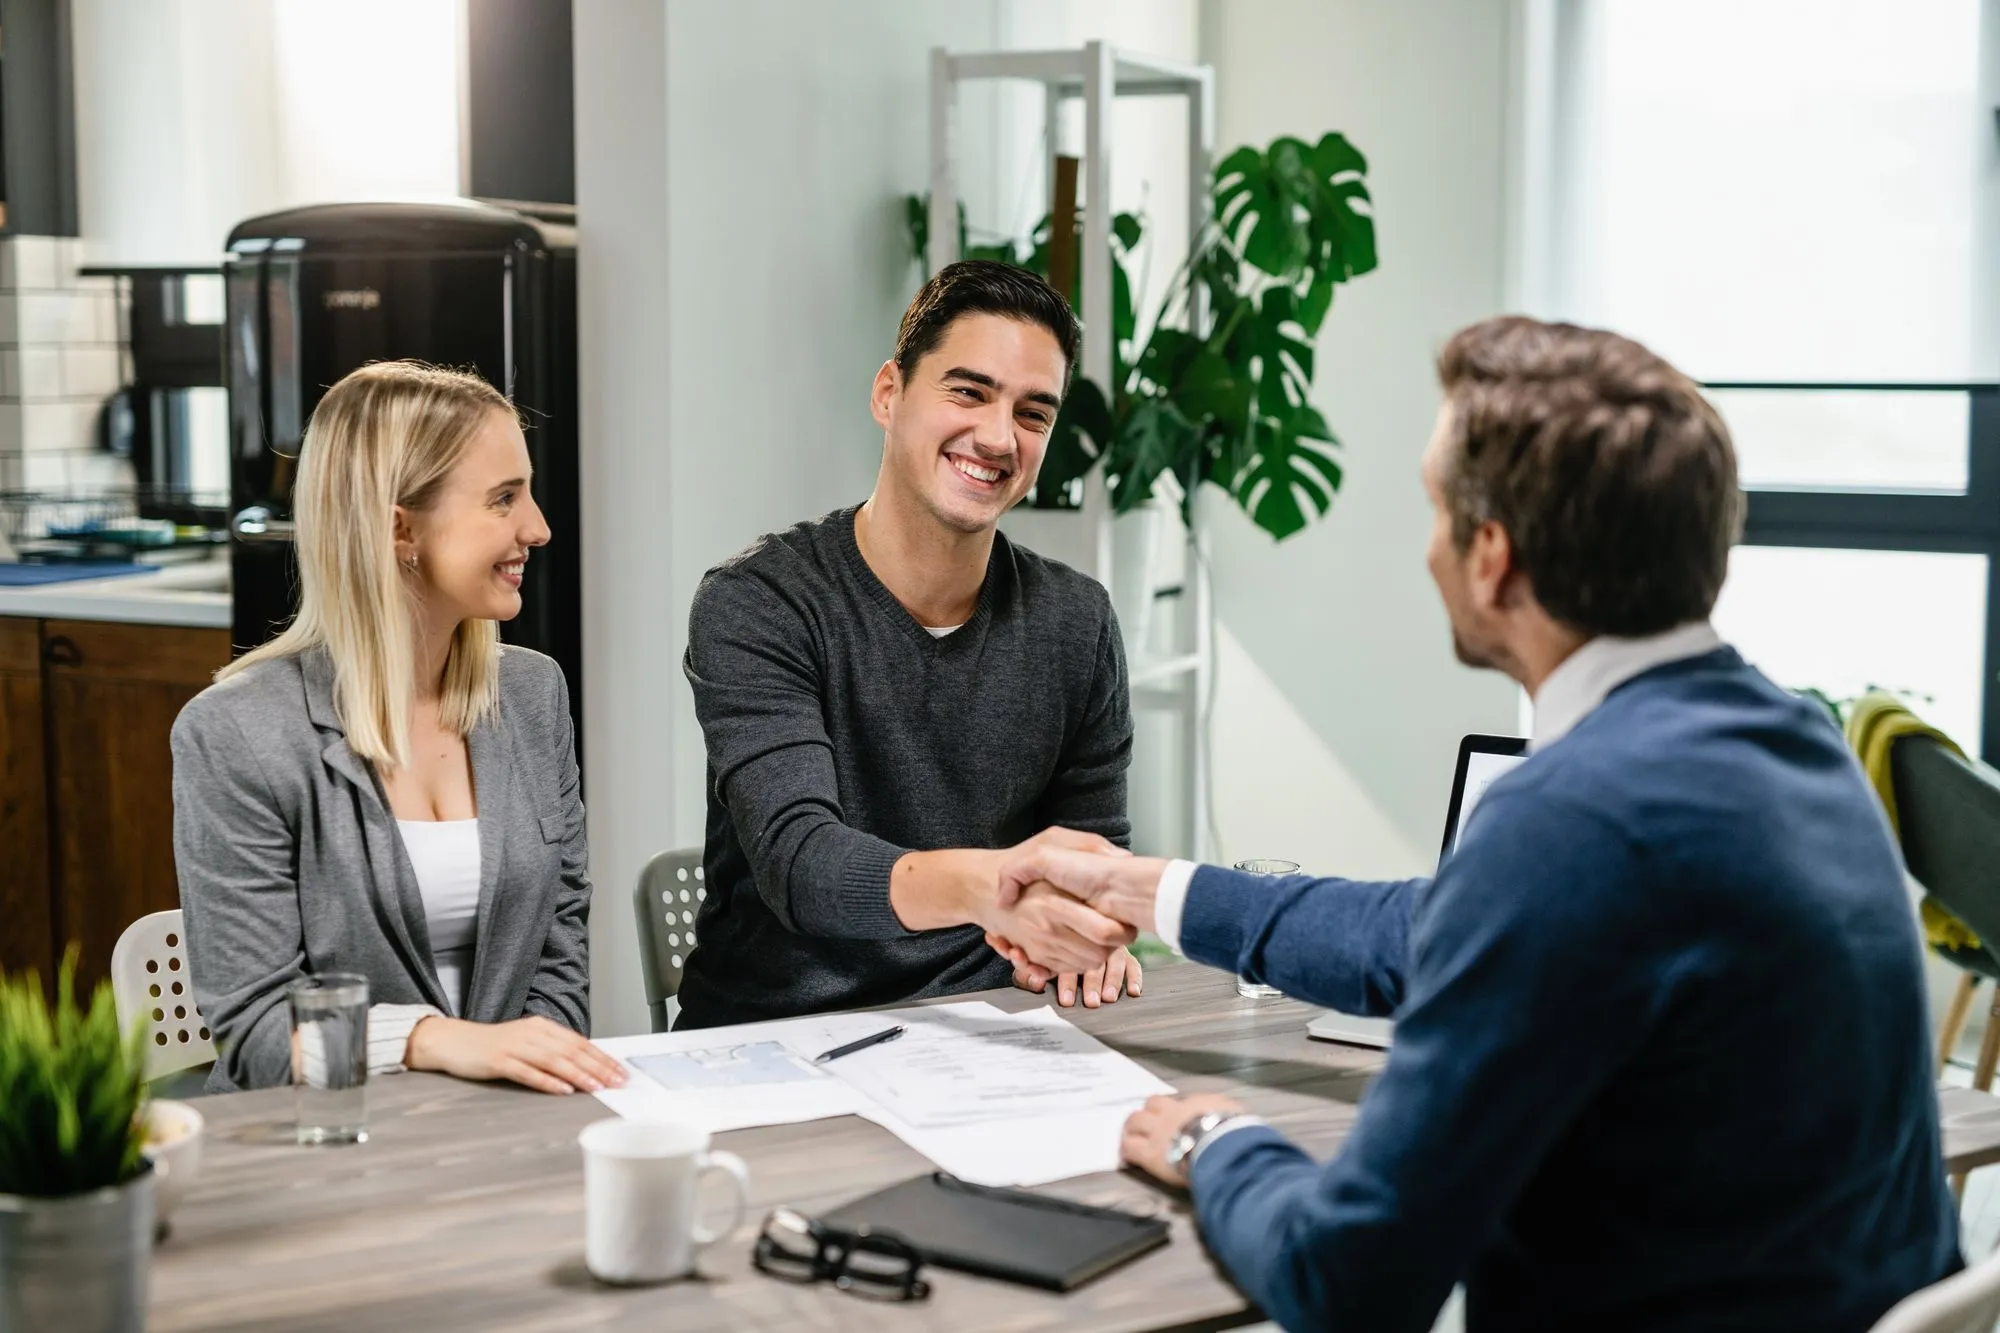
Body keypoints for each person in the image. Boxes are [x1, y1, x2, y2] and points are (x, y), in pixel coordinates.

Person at [991, 317, 1959, 1331]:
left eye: (1433, 509)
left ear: (1490, 555)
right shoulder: (1798, 744)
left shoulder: (1571, 821)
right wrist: (1145, 886)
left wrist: (1217, 1141)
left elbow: (1347, 1282)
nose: (1427, 548)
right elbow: (1441, 929)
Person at [676, 260, 1140, 1028]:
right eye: (968, 391)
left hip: (996, 1031)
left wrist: (1095, 928)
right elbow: (805, 865)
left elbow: (1091, 861)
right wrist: (999, 887)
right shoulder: (760, 603)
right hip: (779, 1042)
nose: (997, 437)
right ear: (889, 392)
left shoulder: (1076, 621)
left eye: (1034, 413)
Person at [174, 362, 626, 1099]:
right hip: (323, 1142)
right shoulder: (236, 732)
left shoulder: (532, 694)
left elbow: (561, 948)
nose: (537, 527)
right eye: (503, 498)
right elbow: (257, 1037)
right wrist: (434, 1041)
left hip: (509, 1133)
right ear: (398, 527)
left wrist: (510, 1101)